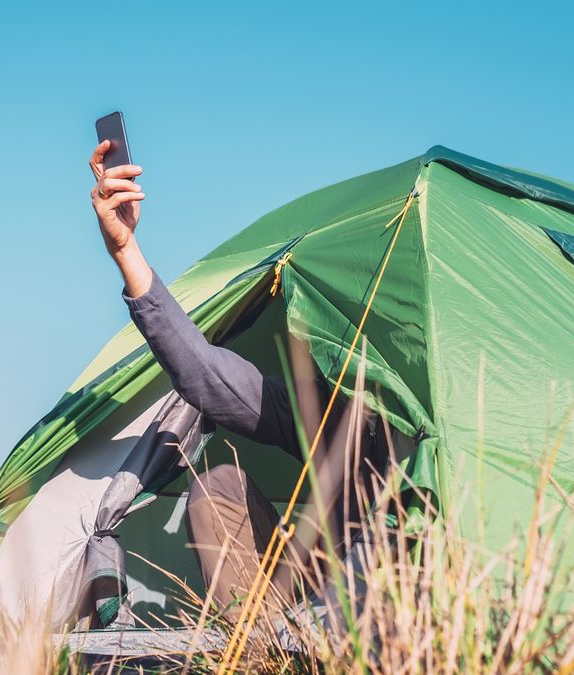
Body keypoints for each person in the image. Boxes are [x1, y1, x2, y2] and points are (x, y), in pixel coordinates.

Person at [87, 142, 392, 620]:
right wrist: (126, 251)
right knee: (220, 485)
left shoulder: (464, 420)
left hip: (406, 595)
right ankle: (258, 649)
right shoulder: (332, 408)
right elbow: (206, 375)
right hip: (319, 584)